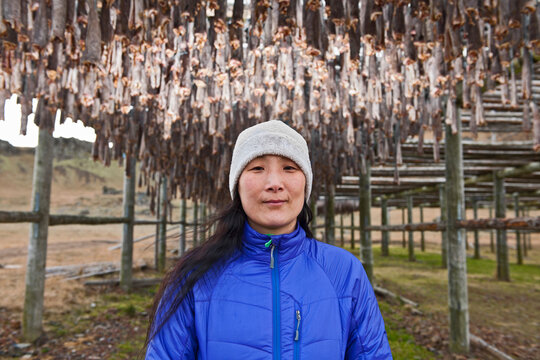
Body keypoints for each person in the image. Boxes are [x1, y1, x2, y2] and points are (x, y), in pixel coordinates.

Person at [145, 120, 392, 359]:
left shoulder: (344, 272)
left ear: (305, 182)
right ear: (237, 185)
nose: (274, 183)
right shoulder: (195, 276)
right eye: (257, 168)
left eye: (289, 168)